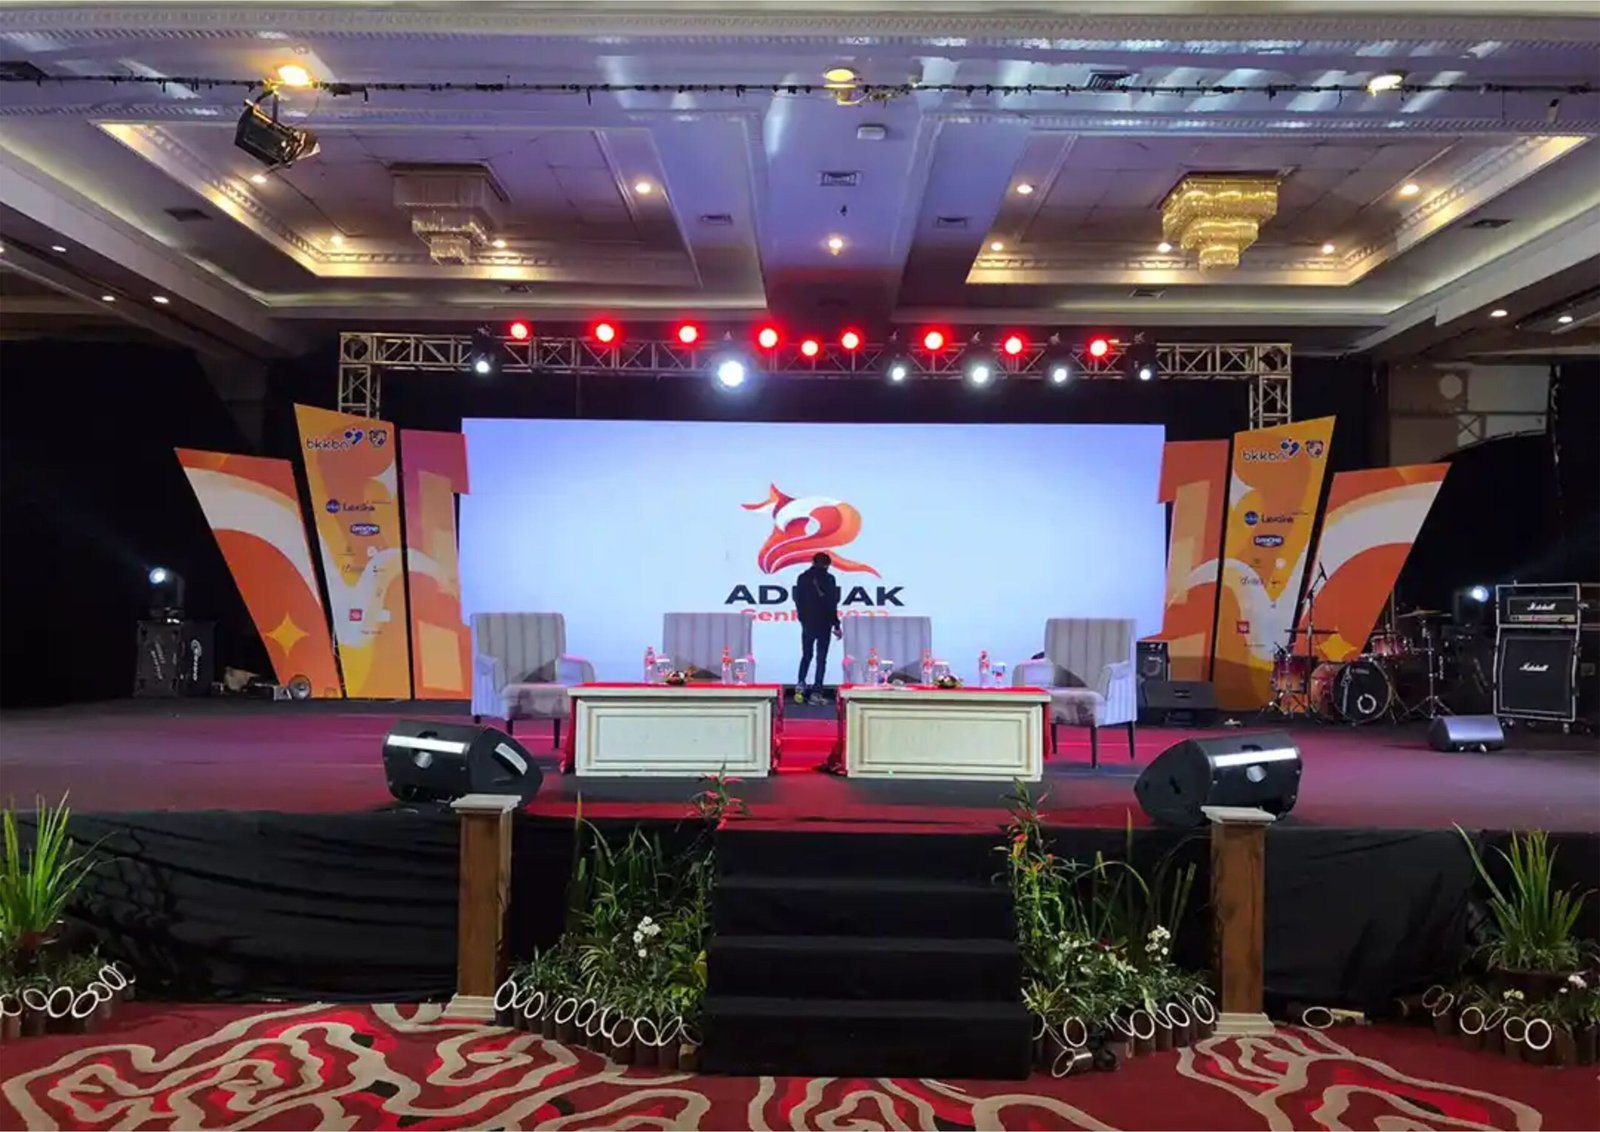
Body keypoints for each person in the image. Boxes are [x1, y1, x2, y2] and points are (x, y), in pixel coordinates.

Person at [793, 552, 842, 704]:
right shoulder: (829, 579)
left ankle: (800, 685)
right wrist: (836, 624)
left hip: (808, 622)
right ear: (828, 565)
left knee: (806, 655)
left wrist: (802, 618)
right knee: (821, 658)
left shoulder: (802, 578)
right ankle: (817, 690)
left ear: (813, 562)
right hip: (824, 623)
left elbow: (798, 600)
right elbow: (831, 604)